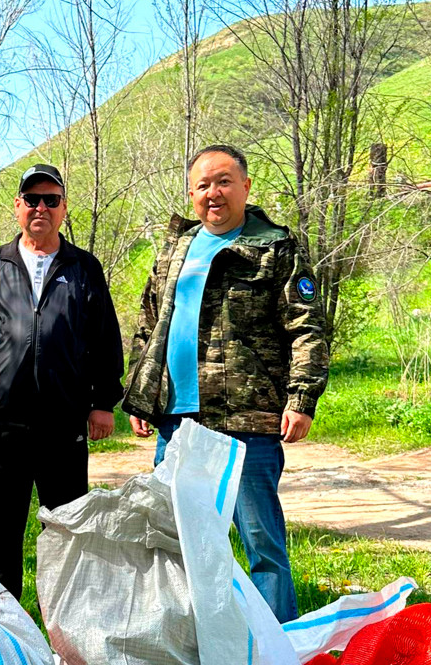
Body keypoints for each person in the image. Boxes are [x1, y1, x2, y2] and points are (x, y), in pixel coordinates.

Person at [121, 144, 329, 623]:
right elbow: (149, 325)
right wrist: (140, 394)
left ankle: (278, 641)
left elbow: (306, 328)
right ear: (191, 194)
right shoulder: (177, 248)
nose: (213, 193)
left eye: (224, 182)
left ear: (245, 187)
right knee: (174, 538)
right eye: (202, 185)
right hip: (176, 420)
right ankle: (192, 637)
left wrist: (301, 398)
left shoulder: (275, 247)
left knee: (261, 543)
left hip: (246, 420)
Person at [0, 163, 124, 599]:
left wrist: (103, 402)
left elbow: (105, 338)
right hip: (0, 425)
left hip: (63, 425)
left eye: (51, 200)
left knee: (67, 532)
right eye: (32, 199)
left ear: (64, 208)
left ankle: (66, 628)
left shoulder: (84, 267)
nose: (40, 208)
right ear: (18, 206)